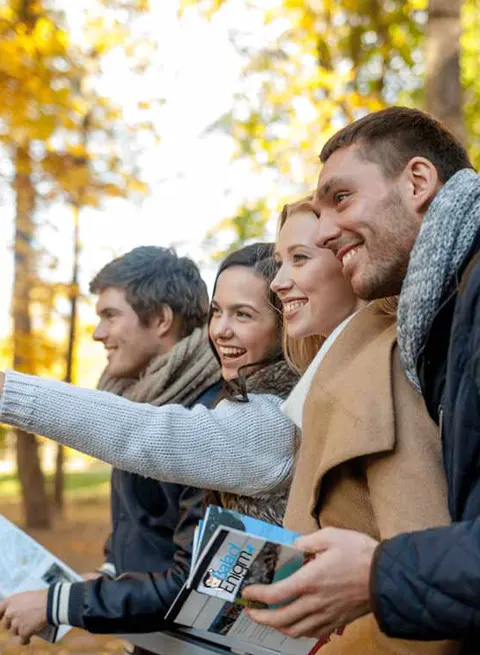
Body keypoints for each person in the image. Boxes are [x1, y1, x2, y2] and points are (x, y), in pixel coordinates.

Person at [241, 107, 480, 653]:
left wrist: (378, 573)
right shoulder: (442, 321)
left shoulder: (414, 337)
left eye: (340, 198)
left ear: (418, 181)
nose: (326, 232)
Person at [0, 242, 299, 645]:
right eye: (216, 312)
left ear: (161, 319)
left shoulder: (235, 418)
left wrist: (62, 602)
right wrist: (110, 572)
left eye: (243, 314)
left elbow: (141, 436)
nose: (221, 328)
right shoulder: (147, 397)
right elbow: (141, 529)